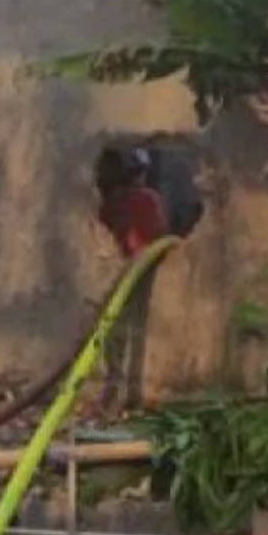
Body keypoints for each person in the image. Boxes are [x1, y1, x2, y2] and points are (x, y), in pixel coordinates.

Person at [96, 146, 168, 415]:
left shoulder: (133, 201)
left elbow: (145, 235)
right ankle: (122, 392)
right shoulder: (142, 200)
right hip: (137, 266)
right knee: (124, 328)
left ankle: (120, 392)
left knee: (120, 327)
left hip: (137, 267)